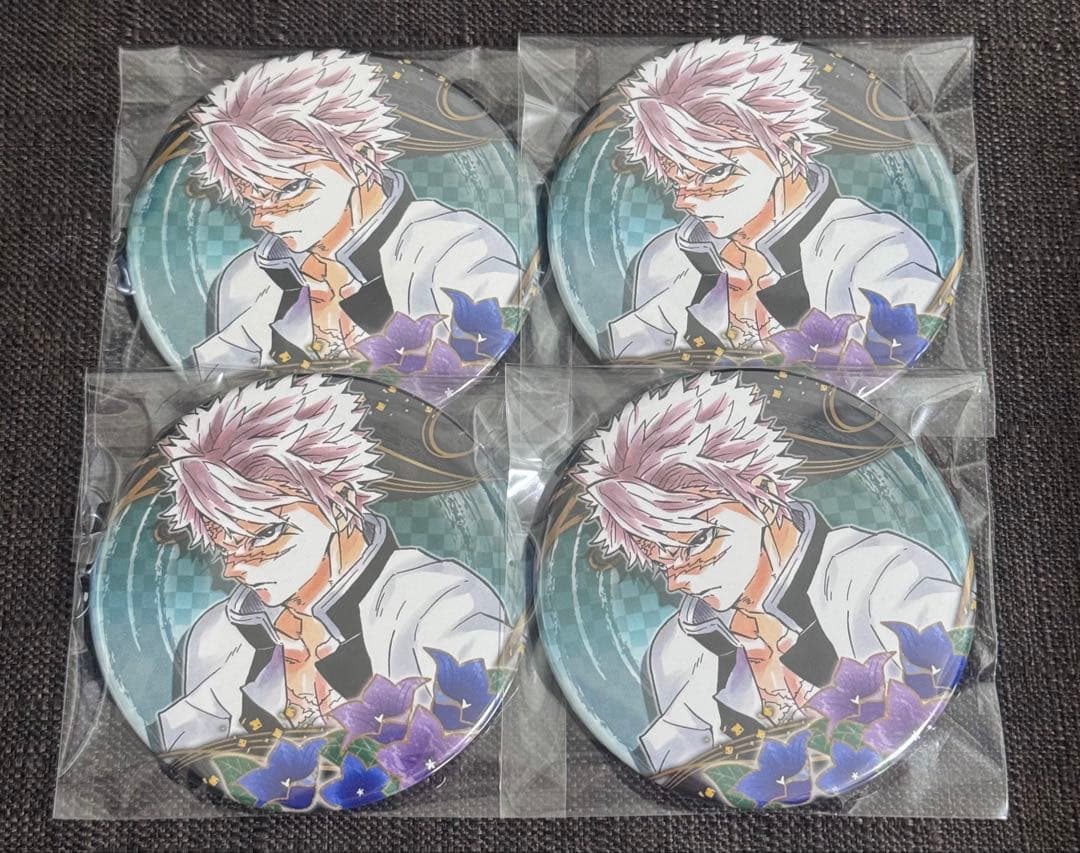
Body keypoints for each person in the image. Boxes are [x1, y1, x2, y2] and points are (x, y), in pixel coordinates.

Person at [572, 373, 963, 773]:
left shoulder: (889, 574)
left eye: (697, 541)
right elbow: (684, 771)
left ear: (763, 495)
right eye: (661, 560)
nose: (677, 579)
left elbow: (927, 693)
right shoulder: (677, 650)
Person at [154, 375, 509, 750]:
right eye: (223, 545)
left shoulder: (444, 603)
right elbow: (191, 756)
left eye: (264, 534)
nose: (234, 568)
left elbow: (462, 721)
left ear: (341, 504)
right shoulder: (216, 637)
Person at [187, 50, 521, 372]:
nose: (263, 219)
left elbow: (476, 355)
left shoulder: (458, 247)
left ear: (361, 161)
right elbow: (218, 384)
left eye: (290, 188)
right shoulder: (247, 279)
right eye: (252, 200)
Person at [609, 36, 942, 358]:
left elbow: (894, 354)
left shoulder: (877, 247)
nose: (685, 200)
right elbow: (635, 370)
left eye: (714, 172)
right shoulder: (664, 260)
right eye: (675, 180)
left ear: (785, 152)